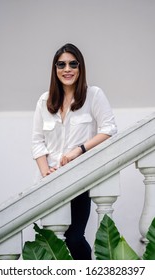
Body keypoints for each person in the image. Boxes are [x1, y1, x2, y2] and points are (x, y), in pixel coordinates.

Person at [32, 43, 117, 259]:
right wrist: (45, 172)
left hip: (80, 178)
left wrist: (79, 149)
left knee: (75, 236)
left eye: (73, 64)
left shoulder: (94, 95)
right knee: (53, 239)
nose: (67, 69)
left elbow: (109, 129)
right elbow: (37, 142)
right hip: (51, 181)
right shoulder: (44, 101)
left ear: (80, 68)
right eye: (61, 64)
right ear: (55, 69)